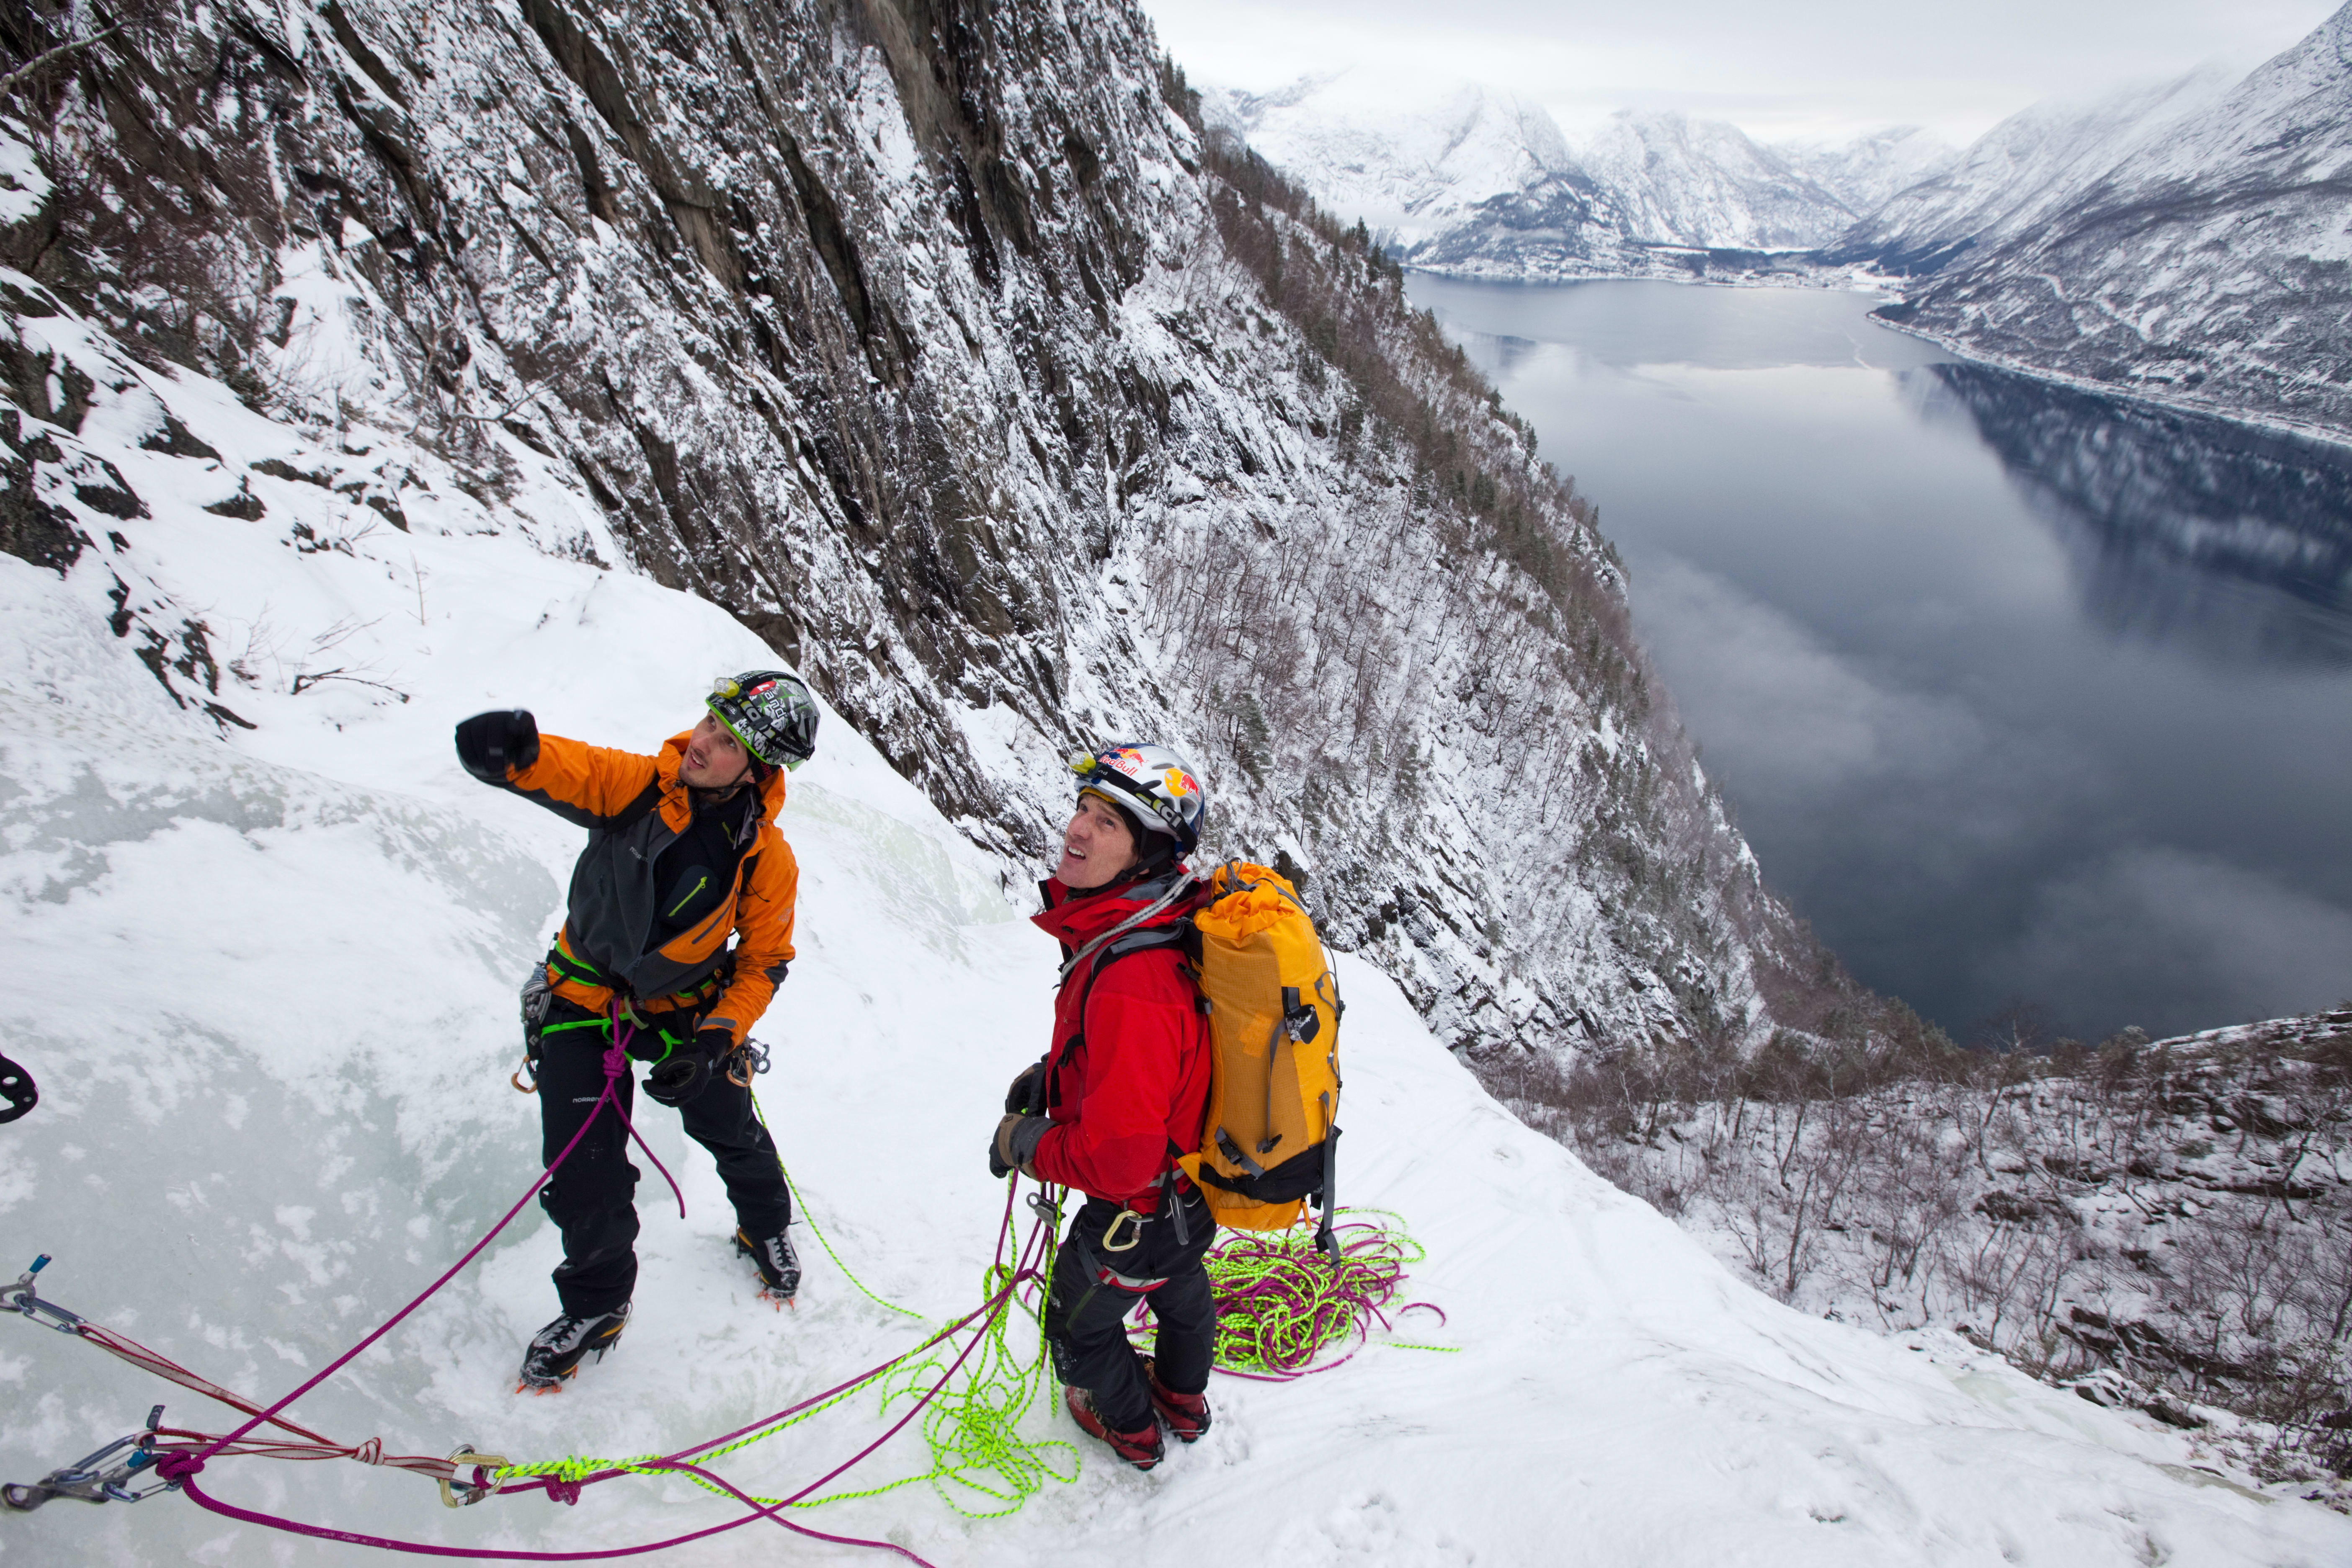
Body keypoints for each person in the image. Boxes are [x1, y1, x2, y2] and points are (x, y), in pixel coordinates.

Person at [454, 671, 819, 1393]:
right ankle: (597, 1304)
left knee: (729, 1126)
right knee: (583, 1167)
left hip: (686, 1010)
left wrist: (715, 1041)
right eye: (710, 724)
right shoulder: (641, 788)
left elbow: (764, 961)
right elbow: (577, 771)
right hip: (582, 1000)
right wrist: (517, 758)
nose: (704, 744)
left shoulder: (765, 857)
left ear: (758, 769)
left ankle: (765, 1223)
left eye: (728, 742)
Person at [992, 743, 1216, 1471]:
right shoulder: (1158, 926)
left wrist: (1023, 1142)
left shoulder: (1132, 975)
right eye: (1083, 808)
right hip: (1190, 1195)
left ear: (1147, 854)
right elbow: (1156, 1065)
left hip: (1136, 1213)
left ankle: (1132, 1430)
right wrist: (1055, 1081)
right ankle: (1181, 1400)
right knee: (1183, 1291)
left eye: (1108, 822)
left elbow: (1118, 1161)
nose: (1077, 829)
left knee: (1076, 1321)